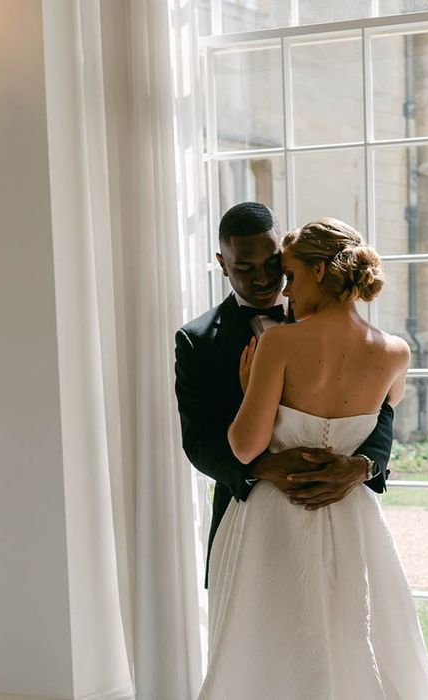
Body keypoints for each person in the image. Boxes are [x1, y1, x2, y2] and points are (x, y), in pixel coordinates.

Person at [199, 217, 428, 698]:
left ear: (318, 272)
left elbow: (244, 447)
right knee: (360, 639)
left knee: (268, 651)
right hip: (354, 520)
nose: (285, 293)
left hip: (275, 516)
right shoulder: (396, 351)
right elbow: (380, 419)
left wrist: (252, 392)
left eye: (289, 275)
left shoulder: (281, 342)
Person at [174, 202, 394, 589]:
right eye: (244, 267)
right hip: (250, 516)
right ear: (222, 263)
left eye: (274, 265)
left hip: (341, 511)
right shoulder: (197, 341)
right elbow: (198, 439)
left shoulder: (334, 322)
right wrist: (263, 467)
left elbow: (381, 411)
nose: (264, 279)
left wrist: (363, 467)